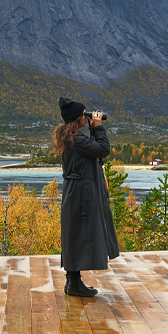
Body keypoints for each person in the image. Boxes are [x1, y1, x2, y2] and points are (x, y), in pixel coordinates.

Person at [54, 97, 120, 297]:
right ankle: (73, 283)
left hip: (76, 193)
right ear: (77, 118)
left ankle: (73, 282)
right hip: (81, 195)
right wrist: (98, 127)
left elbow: (95, 154)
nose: (87, 116)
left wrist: (93, 129)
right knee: (78, 235)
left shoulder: (71, 138)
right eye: (84, 114)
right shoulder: (76, 139)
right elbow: (103, 150)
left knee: (75, 235)